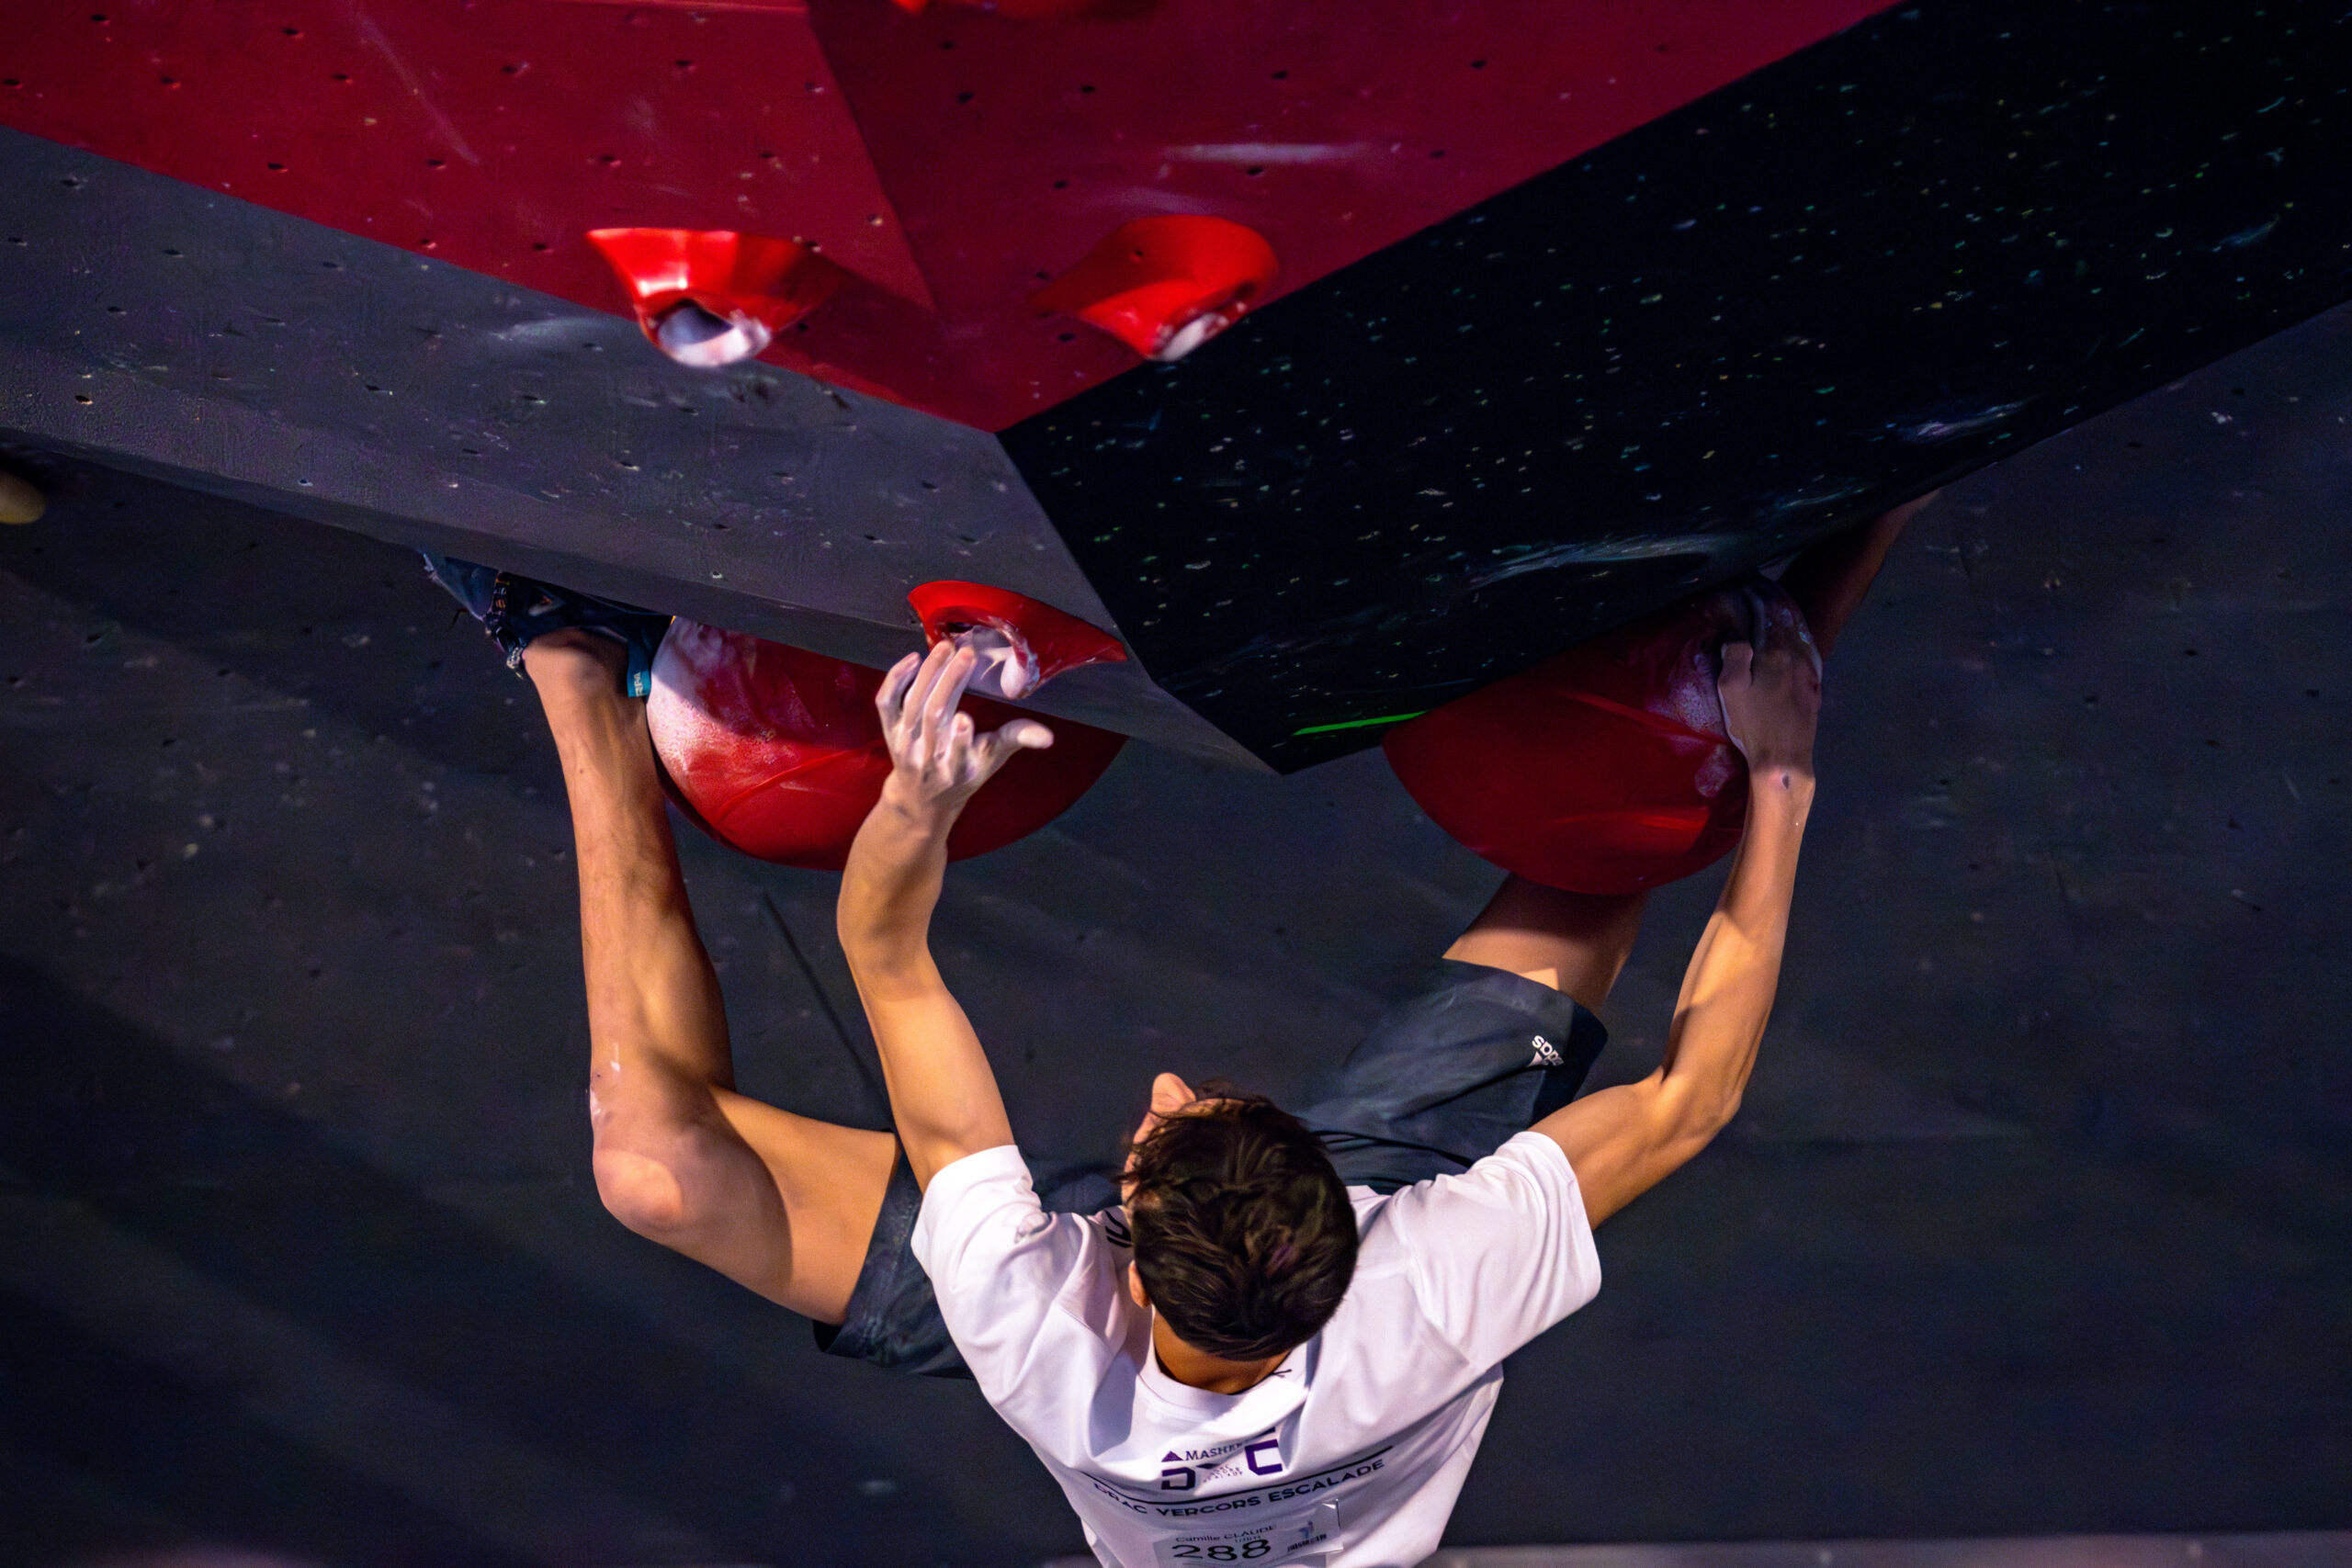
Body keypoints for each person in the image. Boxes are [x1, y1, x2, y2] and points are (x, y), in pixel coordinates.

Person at [443, 492, 1930, 1568]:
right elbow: (1694, 1094)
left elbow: (887, 952)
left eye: (1160, 1121)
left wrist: (919, 791)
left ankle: (570, 658)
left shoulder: (1039, 1331)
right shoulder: (1430, 1285)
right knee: (1619, 829)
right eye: (1194, 1103)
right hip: (1357, 1303)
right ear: (1341, 1207)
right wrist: (1781, 776)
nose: (1154, 1082)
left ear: (1120, 1249)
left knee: (650, 1163)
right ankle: (1828, 561)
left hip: (1110, 1367)